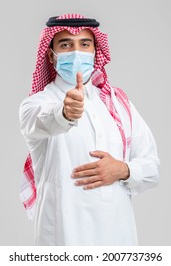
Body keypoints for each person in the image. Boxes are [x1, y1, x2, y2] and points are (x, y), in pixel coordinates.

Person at [19, 13, 160, 246]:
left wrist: (124, 169)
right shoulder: (36, 104)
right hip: (64, 239)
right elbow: (43, 120)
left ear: (95, 51)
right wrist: (65, 113)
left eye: (85, 44)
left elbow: (152, 167)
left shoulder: (118, 103)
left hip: (118, 240)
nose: (77, 52)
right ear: (51, 55)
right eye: (66, 45)